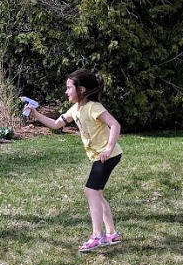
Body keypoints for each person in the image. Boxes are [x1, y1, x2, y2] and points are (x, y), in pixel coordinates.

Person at [23, 69, 123, 252]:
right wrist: (35, 114)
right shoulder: (76, 109)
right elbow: (55, 124)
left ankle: (97, 236)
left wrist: (108, 148)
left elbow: (115, 124)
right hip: (99, 156)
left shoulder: (94, 107)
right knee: (97, 192)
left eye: (69, 88)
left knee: (91, 190)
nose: (66, 91)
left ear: (82, 89)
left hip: (108, 155)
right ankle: (111, 233)